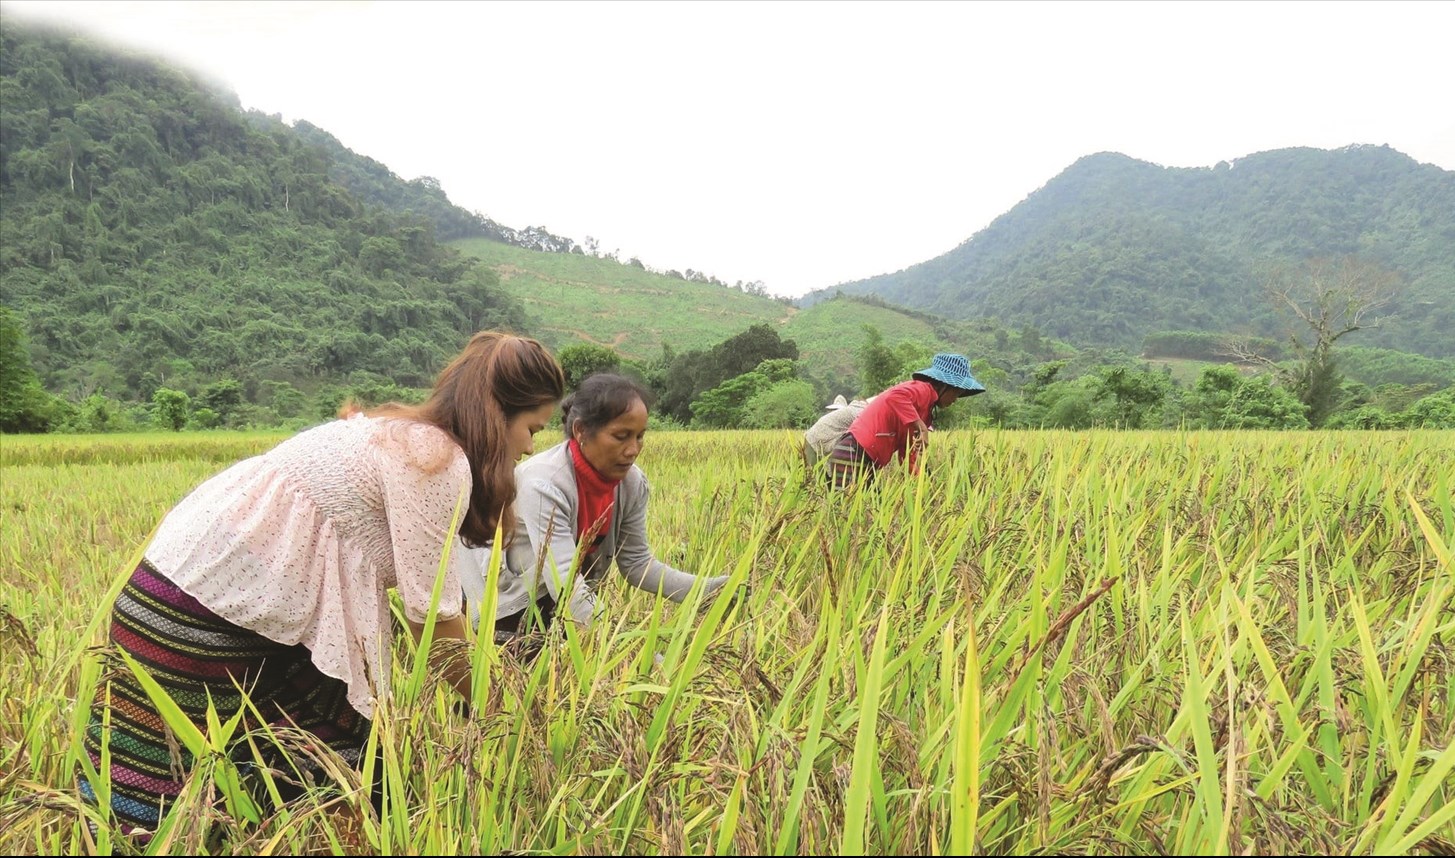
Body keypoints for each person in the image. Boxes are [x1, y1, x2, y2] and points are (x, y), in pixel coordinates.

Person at [79, 331, 566, 841]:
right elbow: (434, 626)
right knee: (160, 802)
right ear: (498, 416)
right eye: (532, 427)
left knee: (331, 751)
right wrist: (506, 716)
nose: (531, 445)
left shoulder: (396, 433)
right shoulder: (435, 461)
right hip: (199, 614)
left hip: (177, 587)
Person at [460, 373, 728, 640]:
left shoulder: (631, 482)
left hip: (562, 599)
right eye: (621, 436)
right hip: (506, 600)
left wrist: (707, 591)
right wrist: (624, 649)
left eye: (639, 437)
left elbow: (637, 563)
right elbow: (564, 583)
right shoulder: (543, 484)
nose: (633, 449)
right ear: (581, 431)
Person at [826, 353, 985, 489]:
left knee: (872, 510)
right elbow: (894, 396)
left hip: (865, 460)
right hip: (852, 455)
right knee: (852, 510)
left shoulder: (925, 411)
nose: (956, 399)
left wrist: (923, 482)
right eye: (957, 392)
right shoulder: (922, 389)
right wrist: (921, 427)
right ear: (945, 385)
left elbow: (908, 453)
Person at [802, 394, 872, 473]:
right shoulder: (859, 413)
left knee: (828, 476)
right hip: (813, 442)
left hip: (822, 444)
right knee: (815, 479)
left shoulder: (854, 412)